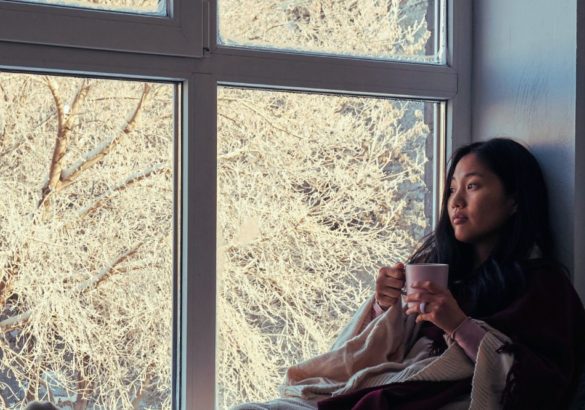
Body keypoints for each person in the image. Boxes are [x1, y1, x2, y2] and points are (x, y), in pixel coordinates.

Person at [234, 138, 585, 410]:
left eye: (473, 186)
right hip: (393, 388)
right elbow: (378, 354)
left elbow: (543, 386)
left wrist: (460, 326)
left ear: (514, 200)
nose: (456, 202)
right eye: (451, 190)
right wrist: (384, 307)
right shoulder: (445, 271)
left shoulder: (544, 286)